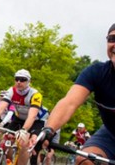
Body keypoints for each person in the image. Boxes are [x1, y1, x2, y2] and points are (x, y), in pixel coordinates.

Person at [36, 23, 115, 164]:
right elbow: (69, 103)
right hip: (110, 134)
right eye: (112, 39)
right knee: (84, 159)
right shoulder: (96, 72)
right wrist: (49, 130)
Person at [0, 69, 49, 165]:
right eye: (17, 79)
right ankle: (10, 162)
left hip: (36, 120)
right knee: (5, 140)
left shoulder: (35, 94)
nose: (19, 82)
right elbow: (1, 108)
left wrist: (24, 130)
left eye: (22, 79)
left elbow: (32, 116)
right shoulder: (11, 91)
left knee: (24, 143)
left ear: (29, 82)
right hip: (19, 118)